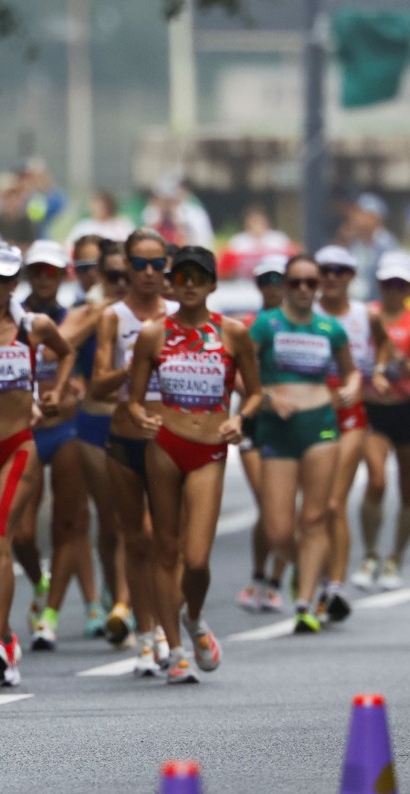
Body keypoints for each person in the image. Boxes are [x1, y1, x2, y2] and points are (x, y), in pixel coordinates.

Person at [128, 246, 261, 682]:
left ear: (211, 285)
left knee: (198, 559)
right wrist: (141, 416)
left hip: (210, 449)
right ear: (171, 284)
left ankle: (195, 618)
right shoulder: (153, 334)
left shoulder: (233, 333)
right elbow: (132, 399)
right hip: (164, 445)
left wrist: (240, 418)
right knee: (165, 551)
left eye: (197, 278)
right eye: (180, 278)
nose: (188, 286)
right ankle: (176, 649)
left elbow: (257, 392)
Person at [0, 245, 74, 686]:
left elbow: (68, 353)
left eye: (1, 280)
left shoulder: (32, 327)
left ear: (13, 285)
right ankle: (1, 634)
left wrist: (53, 393)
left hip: (18, 448)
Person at [249, 254, 359, 633]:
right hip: (277, 429)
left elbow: (351, 372)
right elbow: (238, 376)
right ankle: (310, 574)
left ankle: (305, 602)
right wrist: (267, 398)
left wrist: (351, 390)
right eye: (294, 282)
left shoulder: (331, 328)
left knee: (315, 517)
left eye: (310, 283)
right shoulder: (265, 325)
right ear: (283, 285)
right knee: (279, 529)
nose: (302, 289)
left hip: (320, 426)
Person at [90, 229, 179, 671]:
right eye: (139, 264)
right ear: (126, 265)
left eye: (157, 264)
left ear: (167, 266)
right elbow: (98, 383)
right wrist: (136, 362)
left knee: (167, 542)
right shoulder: (113, 317)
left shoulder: (181, 314)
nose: (148, 273)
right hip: (125, 436)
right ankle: (146, 635)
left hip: (171, 438)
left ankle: (168, 628)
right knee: (137, 539)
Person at [18, 240, 101, 651]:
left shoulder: (76, 319)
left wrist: (78, 387)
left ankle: (49, 614)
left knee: (69, 523)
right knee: (21, 533)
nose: (43, 279)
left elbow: (90, 370)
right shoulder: (13, 319)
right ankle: (40, 580)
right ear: (27, 275)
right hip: (26, 431)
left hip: (67, 428)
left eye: (51, 272)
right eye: (36, 271)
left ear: (62, 274)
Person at [351, 252, 410, 592]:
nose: (394, 290)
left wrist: (405, 363)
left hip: (405, 408)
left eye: (401, 284)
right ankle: (370, 553)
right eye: (388, 283)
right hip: (372, 408)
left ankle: (396, 557)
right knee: (375, 481)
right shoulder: (365, 317)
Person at [67, 238, 131, 641]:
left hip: (135, 423)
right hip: (93, 422)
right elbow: (59, 344)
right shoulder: (89, 311)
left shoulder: (156, 314)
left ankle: (127, 601)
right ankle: (114, 592)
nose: (124, 281)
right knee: (110, 523)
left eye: (131, 272)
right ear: (99, 276)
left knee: (135, 522)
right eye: (114, 275)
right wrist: (100, 315)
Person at [314, 245, 382, 622]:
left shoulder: (364, 315)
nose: (333, 278)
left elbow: (383, 345)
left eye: (341, 271)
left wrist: (380, 371)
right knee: (313, 507)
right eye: (326, 271)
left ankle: (334, 587)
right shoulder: (306, 316)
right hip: (311, 416)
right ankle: (315, 578)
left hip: (351, 415)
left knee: (334, 504)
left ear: (352, 276)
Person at [235, 255, 289, 613]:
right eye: (265, 279)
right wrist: (260, 397)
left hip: (292, 422)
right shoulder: (247, 326)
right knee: (268, 504)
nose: (272, 285)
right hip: (257, 419)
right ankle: (258, 576)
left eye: (278, 279)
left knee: (285, 508)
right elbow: (235, 373)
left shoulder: (302, 325)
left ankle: (275, 582)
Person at [343, 193, 398, 302]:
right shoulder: (356, 243)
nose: (355, 217)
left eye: (361, 213)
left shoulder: (387, 245)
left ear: (374, 217)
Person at [217, 204, 294, 280]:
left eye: (259, 220)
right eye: (253, 221)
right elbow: (224, 270)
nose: (256, 224)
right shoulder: (238, 241)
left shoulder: (279, 239)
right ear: (246, 222)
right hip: (242, 285)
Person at [0, 171, 39, 250]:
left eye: (16, 195)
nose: (12, 200)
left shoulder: (25, 222)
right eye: (7, 196)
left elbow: (30, 246)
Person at [64, 191, 134, 251]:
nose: (99, 209)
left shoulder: (121, 224)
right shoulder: (84, 226)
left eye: (102, 207)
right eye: (96, 206)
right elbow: (70, 246)